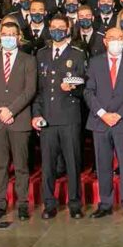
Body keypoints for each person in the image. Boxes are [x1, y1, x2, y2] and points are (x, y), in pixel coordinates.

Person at [32, 15, 88, 219]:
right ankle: (49, 204)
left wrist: (72, 89)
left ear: (68, 29)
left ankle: (75, 203)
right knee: (47, 165)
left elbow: (86, 88)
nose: (57, 31)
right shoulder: (41, 54)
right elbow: (37, 90)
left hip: (70, 118)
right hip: (47, 118)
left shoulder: (78, 54)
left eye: (61, 27)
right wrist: (36, 114)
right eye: (53, 27)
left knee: (73, 163)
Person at [0, 21, 37, 223]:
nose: (9, 37)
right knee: (0, 166)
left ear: (19, 36)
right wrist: (0, 110)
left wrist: (11, 110)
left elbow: (30, 90)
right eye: (5, 34)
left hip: (19, 119)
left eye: (12, 34)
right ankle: (0, 204)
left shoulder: (28, 60)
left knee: (21, 165)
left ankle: (22, 204)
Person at [85, 27, 123, 219]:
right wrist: (103, 113)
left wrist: (118, 115)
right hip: (100, 122)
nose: (116, 41)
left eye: (120, 38)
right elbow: (89, 91)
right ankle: (105, 203)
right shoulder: (94, 63)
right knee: (103, 164)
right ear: (105, 41)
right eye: (112, 38)